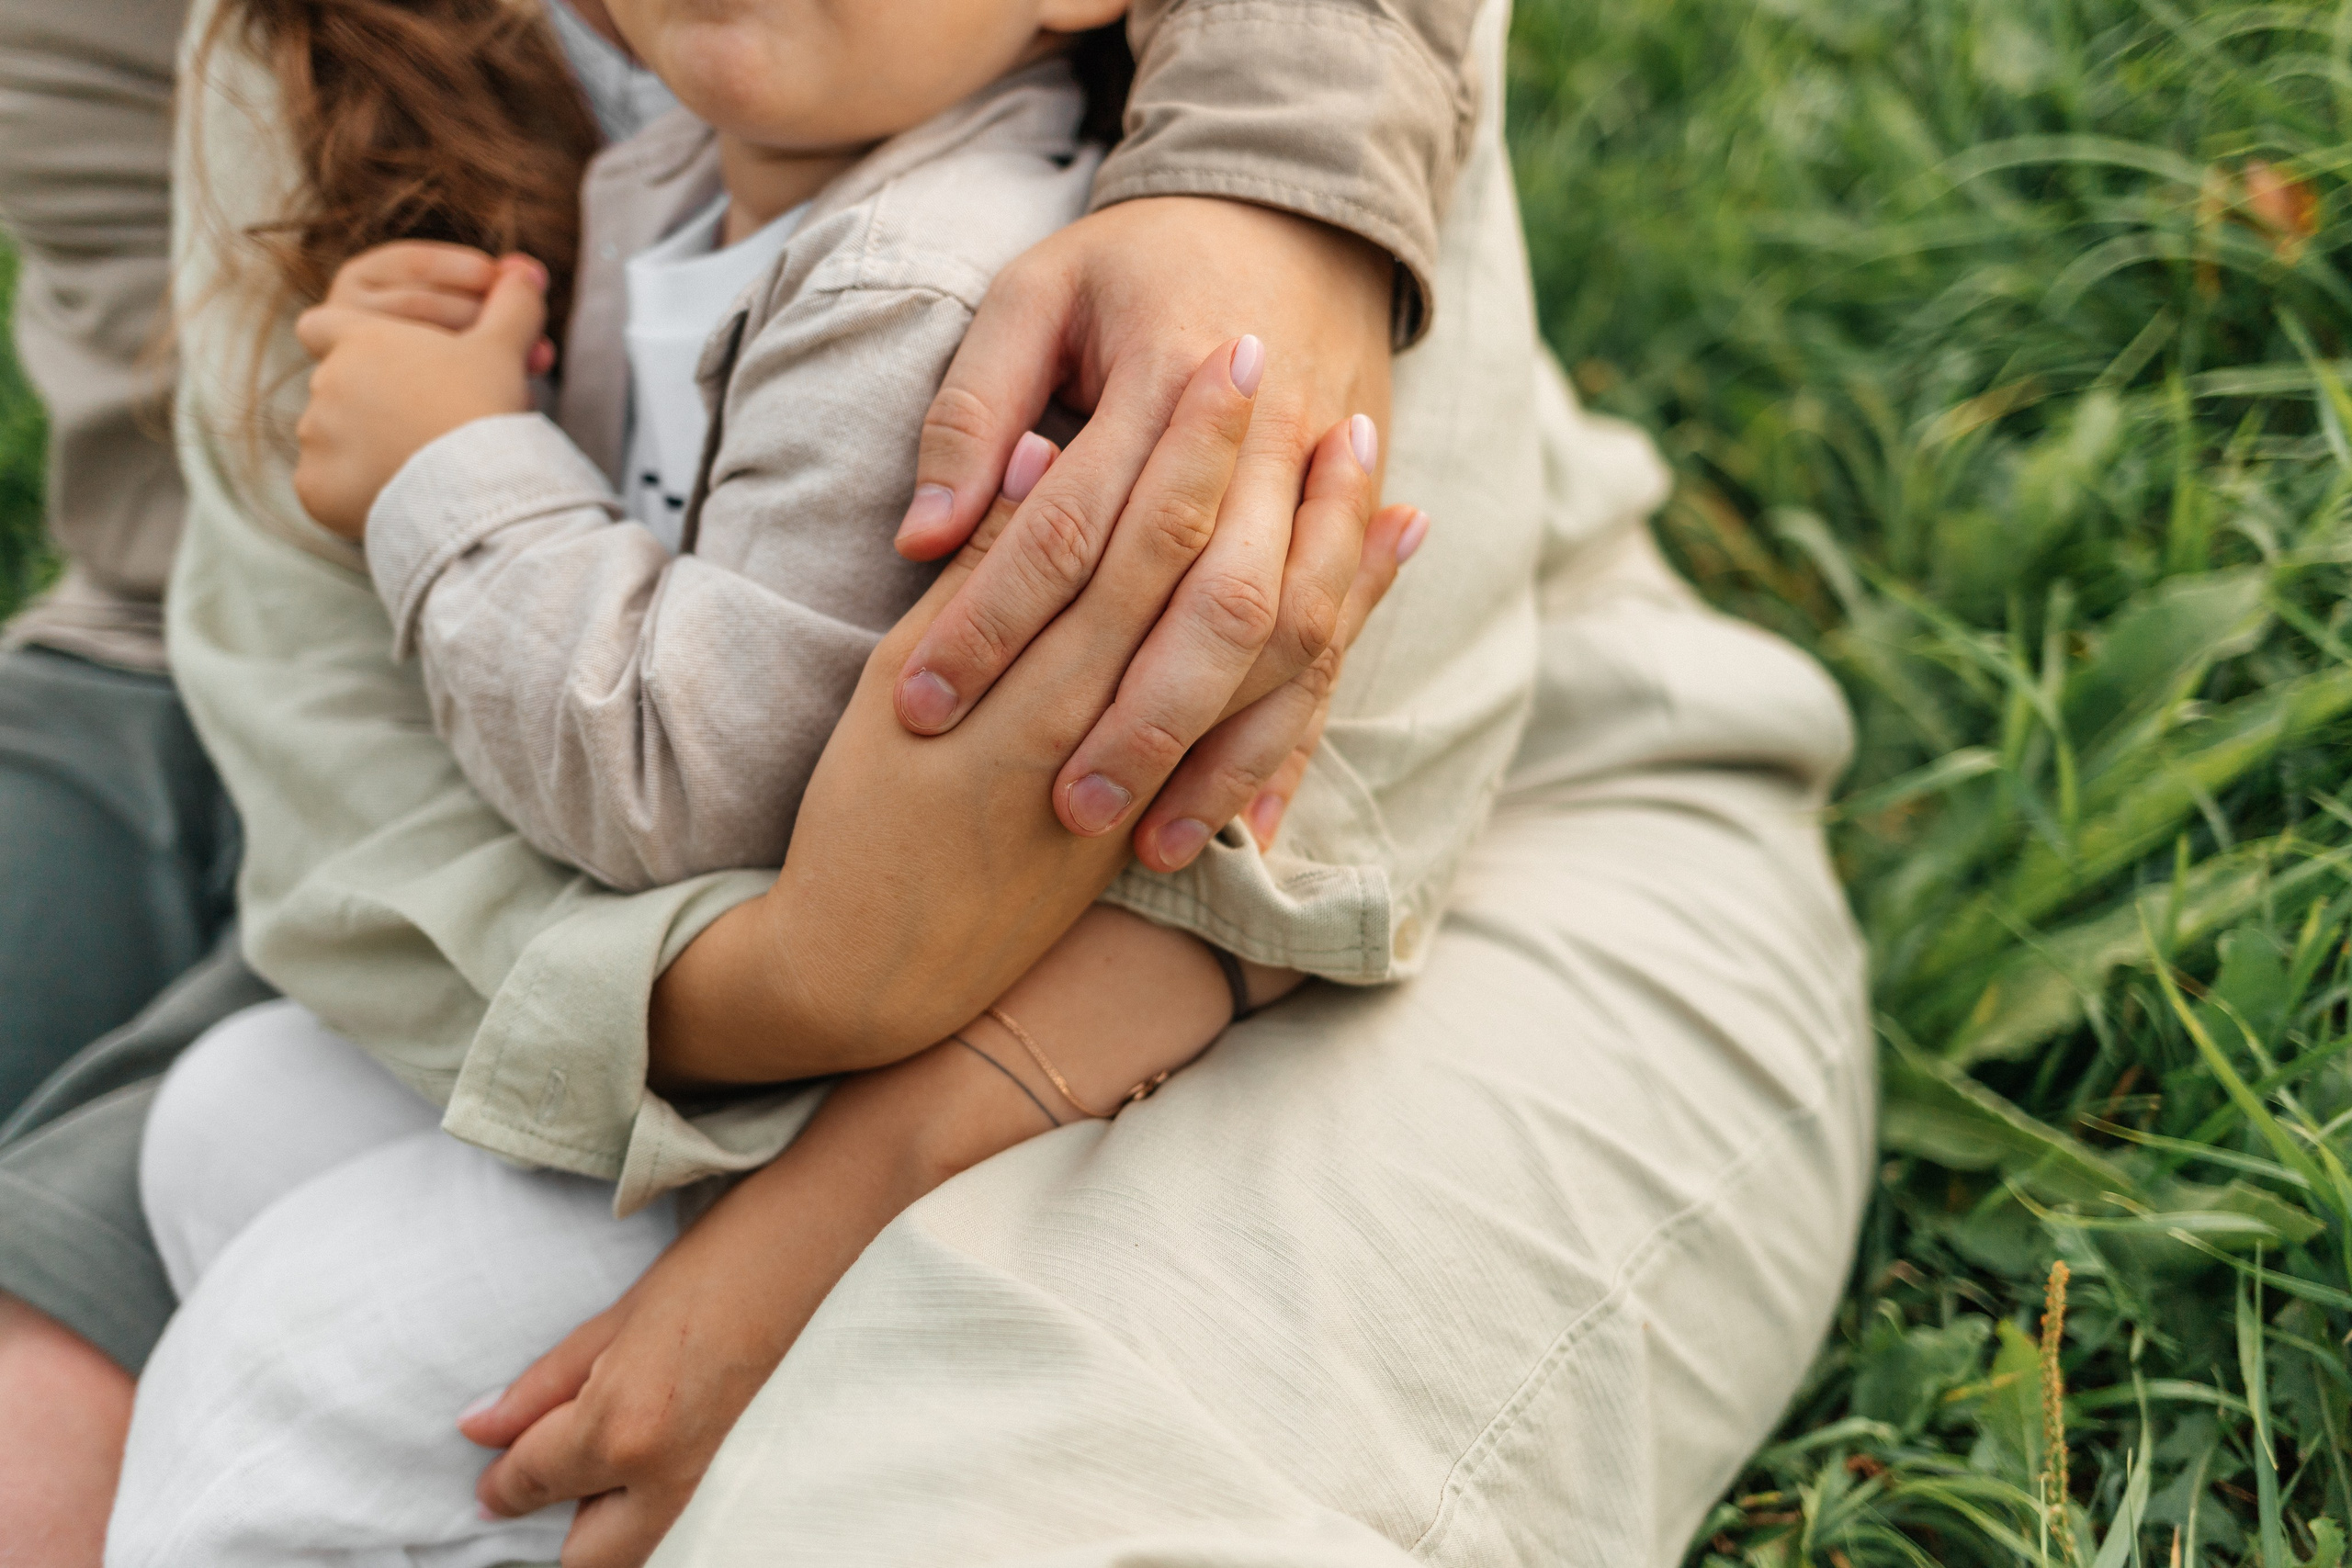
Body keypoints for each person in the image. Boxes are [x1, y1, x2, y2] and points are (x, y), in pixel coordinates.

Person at [0, 0, 1509, 1559]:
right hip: (729, 1001)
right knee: (223, 1117)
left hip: (849, 1077)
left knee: (272, 1383)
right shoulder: (714, 167)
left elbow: (698, 788)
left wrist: (441, 471)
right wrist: (476, 359)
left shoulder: (914, 285)